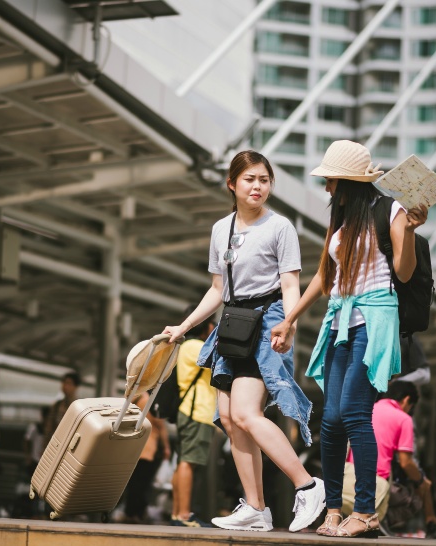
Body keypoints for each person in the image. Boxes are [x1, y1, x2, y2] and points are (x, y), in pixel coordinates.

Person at [271, 140, 428, 538]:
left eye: (331, 181)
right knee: (332, 419)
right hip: (340, 320)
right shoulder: (342, 224)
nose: (327, 188)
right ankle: (334, 510)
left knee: (354, 414)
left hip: (372, 321)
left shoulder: (388, 210)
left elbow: (404, 273)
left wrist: (408, 232)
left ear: (349, 183)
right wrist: (290, 319)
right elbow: (327, 277)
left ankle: (365, 512)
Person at [163, 149, 325, 533]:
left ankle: (308, 485)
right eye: (250, 179)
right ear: (232, 183)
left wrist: (289, 322)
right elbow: (217, 289)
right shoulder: (222, 229)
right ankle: (255, 508)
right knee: (233, 421)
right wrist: (182, 328)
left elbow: (290, 283)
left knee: (249, 414)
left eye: (264, 180)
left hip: (267, 322)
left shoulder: (280, 227)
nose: (258, 186)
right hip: (231, 325)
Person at [353, 380, 436, 538]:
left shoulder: (366, 409)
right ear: (407, 400)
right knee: (419, 492)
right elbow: (406, 463)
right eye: (411, 407)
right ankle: (380, 519)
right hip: (377, 486)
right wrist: (422, 481)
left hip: (350, 480)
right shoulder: (403, 418)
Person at [170, 312, 216, 528]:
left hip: (192, 410)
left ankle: (177, 514)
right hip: (196, 410)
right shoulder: (194, 346)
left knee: (184, 462)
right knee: (189, 462)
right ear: (205, 326)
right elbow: (218, 358)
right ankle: (184, 514)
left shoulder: (187, 346)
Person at [122, 391, 171, 523]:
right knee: (142, 484)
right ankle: (137, 514)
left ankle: (129, 513)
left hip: (131, 448)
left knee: (132, 483)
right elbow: (161, 427)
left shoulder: (132, 398)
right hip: (147, 449)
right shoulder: (150, 401)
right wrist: (166, 447)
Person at [43, 371, 81, 444]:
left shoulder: (79, 406)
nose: (65, 386)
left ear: (75, 387)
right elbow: (49, 426)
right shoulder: (57, 405)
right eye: (64, 383)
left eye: (69, 383)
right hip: (55, 441)